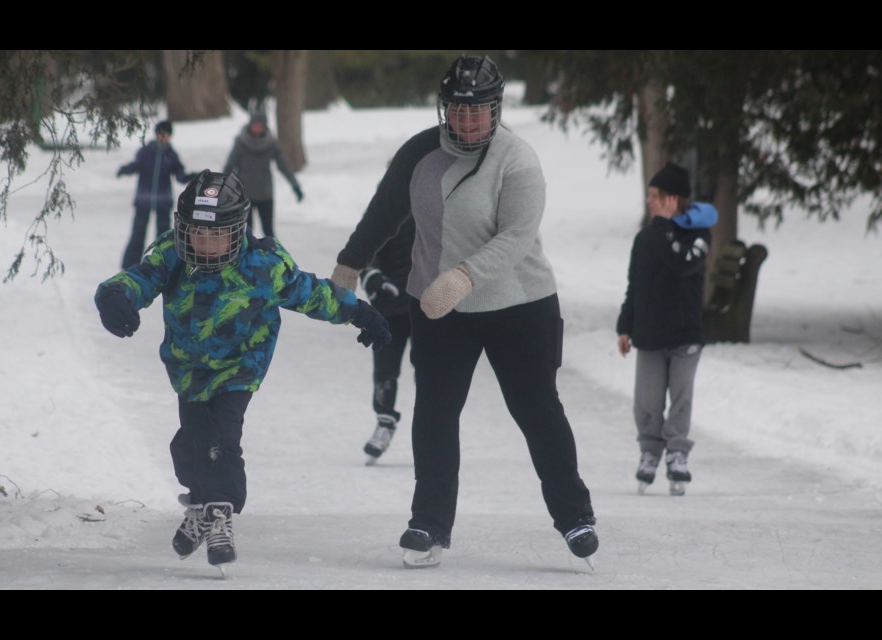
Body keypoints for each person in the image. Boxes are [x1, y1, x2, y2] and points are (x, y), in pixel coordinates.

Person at [331, 55, 597, 569]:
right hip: (438, 309)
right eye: (458, 109)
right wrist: (348, 266)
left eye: (478, 111)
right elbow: (384, 212)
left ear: (495, 110)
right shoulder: (419, 153)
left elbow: (516, 237)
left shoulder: (517, 160)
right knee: (434, 413)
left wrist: (463, 277)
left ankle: (575, 517)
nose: (467, 120)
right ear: (444, 108)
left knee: (537, 411)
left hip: (520, 305)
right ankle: (428, 524)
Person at [94, 170, 390, 570]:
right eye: (197, 234)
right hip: (189, 370)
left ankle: (220, 514)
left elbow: (310, 292)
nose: (206, 244)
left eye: (217, 236)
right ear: (182, 230)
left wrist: (359, 312)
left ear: (238, 231)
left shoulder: (263, 263)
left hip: (240, 367)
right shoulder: (170, 255)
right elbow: (138, 278)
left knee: (223, 438)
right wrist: (114, 295)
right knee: (190, 444)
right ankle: (200, 505)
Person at [616, 162, 716, 496]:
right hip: (650, 335)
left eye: (655, 196)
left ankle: (676, 454)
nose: (650, 201)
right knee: (647, 399)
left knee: (681, 397)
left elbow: (681, 263)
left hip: (686, 334)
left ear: (673, 199)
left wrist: (663, 226)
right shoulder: (646, 238)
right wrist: (624, 326)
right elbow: (635, 285)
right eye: (649, 195)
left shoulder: (699, 236)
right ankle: (649, 450)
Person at [359, 216, 416, 464]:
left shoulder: (444, 200)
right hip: (390, 305)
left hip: (432, 306)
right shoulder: (393, 202)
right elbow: (367, 245)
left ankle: (432, 433)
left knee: (431, 373)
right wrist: (372, 277)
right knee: (385, 371)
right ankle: (384, 421)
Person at [116, 120, 195, 268]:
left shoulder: (171, 155)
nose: (162, 137)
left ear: (170, 136)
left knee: (163, 235)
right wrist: (125, 169)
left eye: (166, 135)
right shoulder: (145, 151)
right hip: (143, 199)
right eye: (160, 134)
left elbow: (180, 175)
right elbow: (136, 165)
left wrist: (192, 177)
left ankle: (163, 263)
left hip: (163, 201)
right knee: (138, 233)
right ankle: (130, 264)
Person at [222, 113, 303, 239]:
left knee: (268, 231)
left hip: (265, 193)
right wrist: (223, 189)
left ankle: (273, 257)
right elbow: (229, 166)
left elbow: (283, 166)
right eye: (255, 125)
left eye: (260, 125)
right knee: (245, 231)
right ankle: (245, 257)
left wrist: (295, 185)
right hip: (244, 194)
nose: (257, 128)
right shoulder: (241, 142)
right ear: (250, 125)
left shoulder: (271, 143)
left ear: (265, 126)